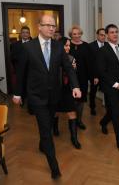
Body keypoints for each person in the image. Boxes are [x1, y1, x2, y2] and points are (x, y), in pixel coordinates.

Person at [12, 15, 81, 179]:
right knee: (45, 130)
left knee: (48, 125)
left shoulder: (58, 47)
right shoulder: (28, 47)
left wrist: (75, 86)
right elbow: (21, 73)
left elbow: (68, 68)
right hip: (36, 96)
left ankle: (43, 144)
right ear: (39, 27)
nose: (52, 28)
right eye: (48, 25)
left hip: (54, 96)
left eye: (53, 26)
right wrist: (17, 93)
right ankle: (54, 167)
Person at [97, 24, 119, 154]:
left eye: (116, 32)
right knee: (116, 113)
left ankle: (103, 122)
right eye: (111, 32)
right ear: (106, 35)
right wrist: (116, 84)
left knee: (111, 111)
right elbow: (101, 72)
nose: (115, 34)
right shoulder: (102, 50)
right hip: (110, 87)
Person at [53, 40, 81, 149]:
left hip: (68, 89)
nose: (68, 48)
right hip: (56, 89)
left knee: (72, 113)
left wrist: (74, 69)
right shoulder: (53, 58)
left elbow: (74, 74)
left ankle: (74, 138)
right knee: (55, 112)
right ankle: (55, 128)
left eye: (69, 46)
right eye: (66, 45)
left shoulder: (71, 58)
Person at [67, 25, 91, 130]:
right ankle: (71, 120)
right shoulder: (67, 45)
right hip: (69, 77)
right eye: (74, 34)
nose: (77, 36)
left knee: (81, 100)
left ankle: (79, 120)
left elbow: (91, 63)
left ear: (81, 34)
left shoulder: (86, 46)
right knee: (71, 99)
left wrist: (92, 76)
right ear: (71, 35)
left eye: (78, 33)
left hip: (83, 77)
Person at [10, 26, 33, 114]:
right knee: (21, 86)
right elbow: (12, 57)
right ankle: (22, 102)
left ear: (29, 34)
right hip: (20, 70)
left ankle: (31, 106)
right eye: (23, 32)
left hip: (32, 71)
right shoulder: (15, 44)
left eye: (27, 32)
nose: (25, 34)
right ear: (20, 34)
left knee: (31, 88)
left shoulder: (34, 44)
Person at [88, 28, 106, 116]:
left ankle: (108, 108)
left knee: (107, 91)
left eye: (104, 35)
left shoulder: (107, 45)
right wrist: (95, 76)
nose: (103, 37)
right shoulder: (91, 46)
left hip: (105, 75)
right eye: (101, 35)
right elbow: (91, 63)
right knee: (93, 91)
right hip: (94, 75)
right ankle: (92, 107)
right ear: (97, 35)